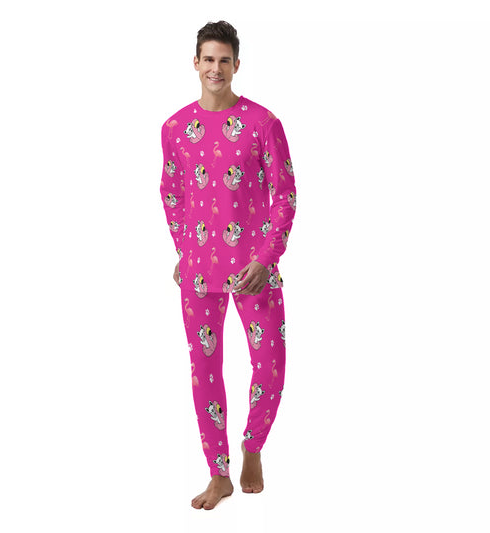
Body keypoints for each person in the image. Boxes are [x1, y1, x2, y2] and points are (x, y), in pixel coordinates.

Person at [159, 20, 297, 510]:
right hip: (198, 273)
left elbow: (285, 196)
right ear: (195, 63)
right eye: (208, 59)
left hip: (255, 268)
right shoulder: (174, 128)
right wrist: (184, 248)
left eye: (224, 60)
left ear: (236, 65)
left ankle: (252, 446)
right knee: (205, 370)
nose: (215, 68)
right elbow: (172, 191)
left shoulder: (263, 123)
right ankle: (218, 473)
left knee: (271, 366)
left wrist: (266, 258)